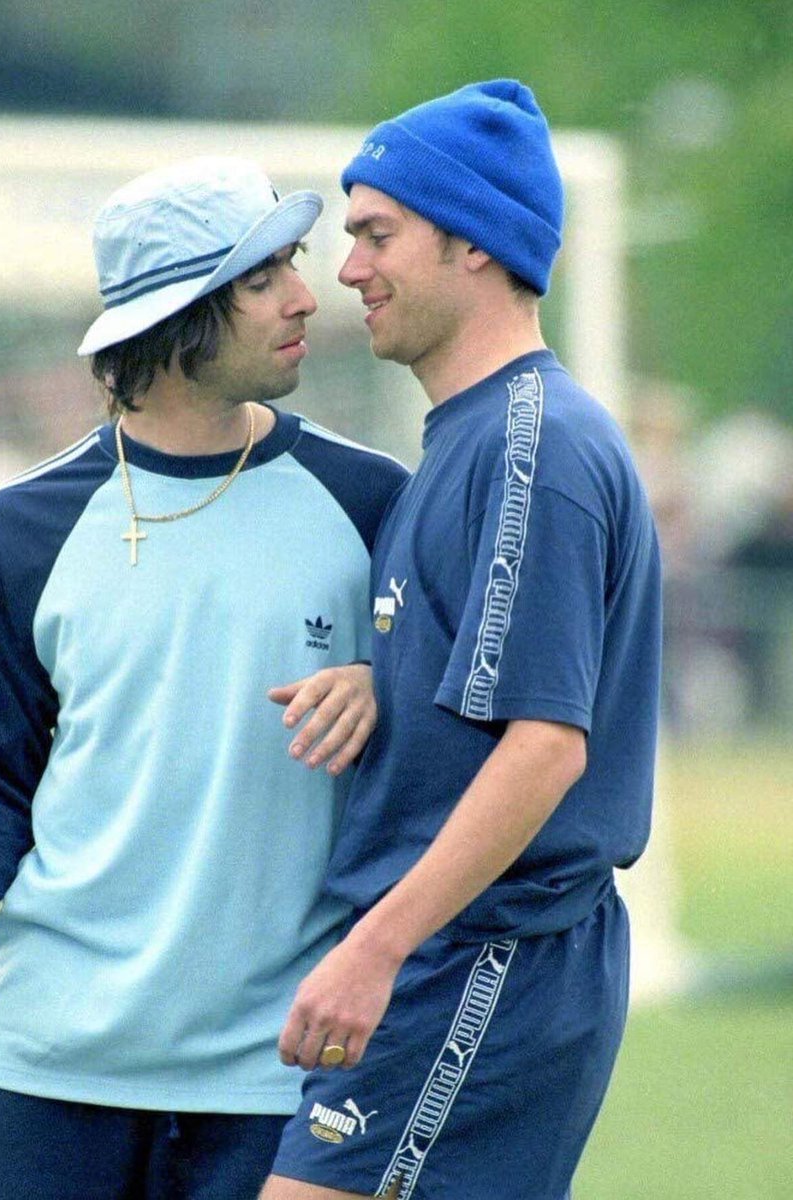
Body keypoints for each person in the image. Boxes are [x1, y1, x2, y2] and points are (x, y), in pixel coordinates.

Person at [0, 156, 408, 1200]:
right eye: (263, 278)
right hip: (36, 1057)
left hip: (273, 1079)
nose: (307, 297)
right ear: (182, 314)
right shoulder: (21, 528)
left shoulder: (373, 504)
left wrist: (381, 684)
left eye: (295, 268)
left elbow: (449, 743)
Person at [264, 80, 662, 1200]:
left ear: (474, 244)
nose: (348, 270)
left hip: (482, 962)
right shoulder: (470, 440)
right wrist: (381, 680)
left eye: (377, 234)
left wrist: (376, 949)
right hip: (460, 959)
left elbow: (545, 744)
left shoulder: (532, 447)